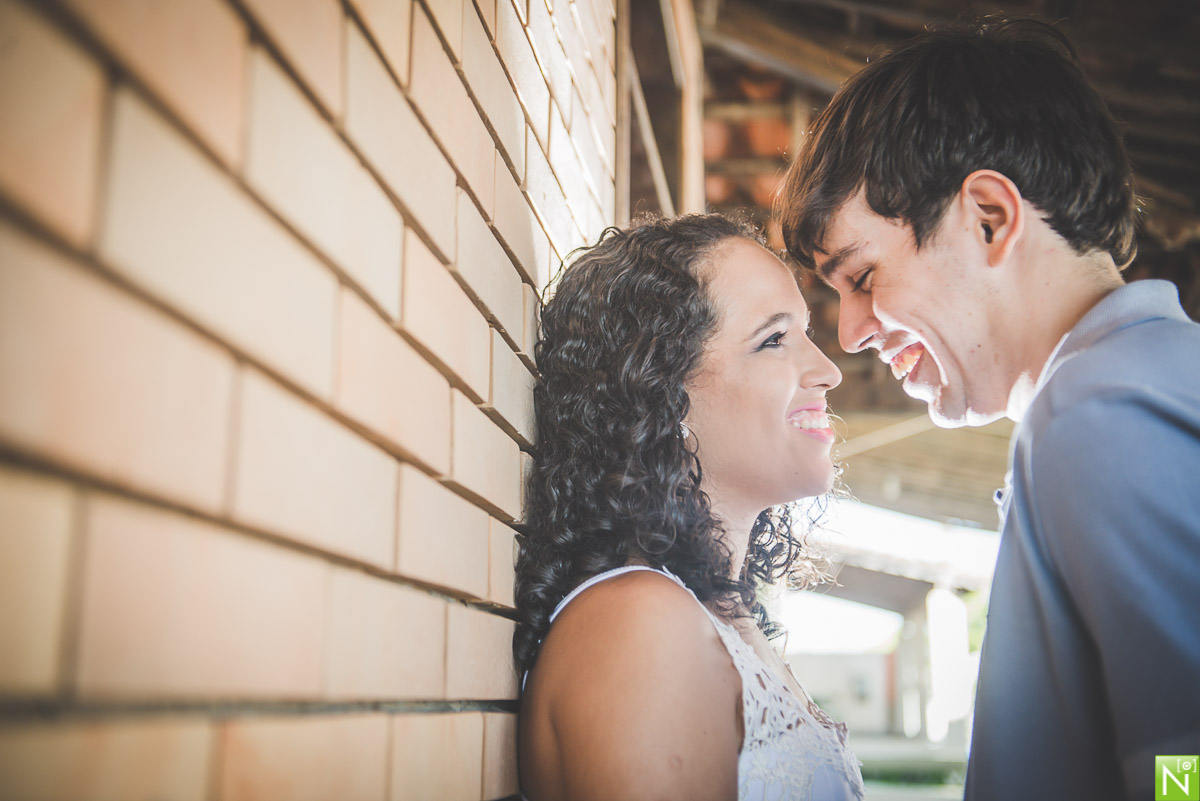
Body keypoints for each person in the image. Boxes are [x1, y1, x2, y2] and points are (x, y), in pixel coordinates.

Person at [777, 16, 1200, 801]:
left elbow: (1188, 763)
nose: (851, 333)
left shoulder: (1099, 414)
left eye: (862, 277)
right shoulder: (1149, 382)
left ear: (990, 218)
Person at [514, 214, 866, 800]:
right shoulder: (638, 625)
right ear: (660, 393)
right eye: (774, 340)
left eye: (804, 334)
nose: (827, 371)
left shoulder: (715, 615)